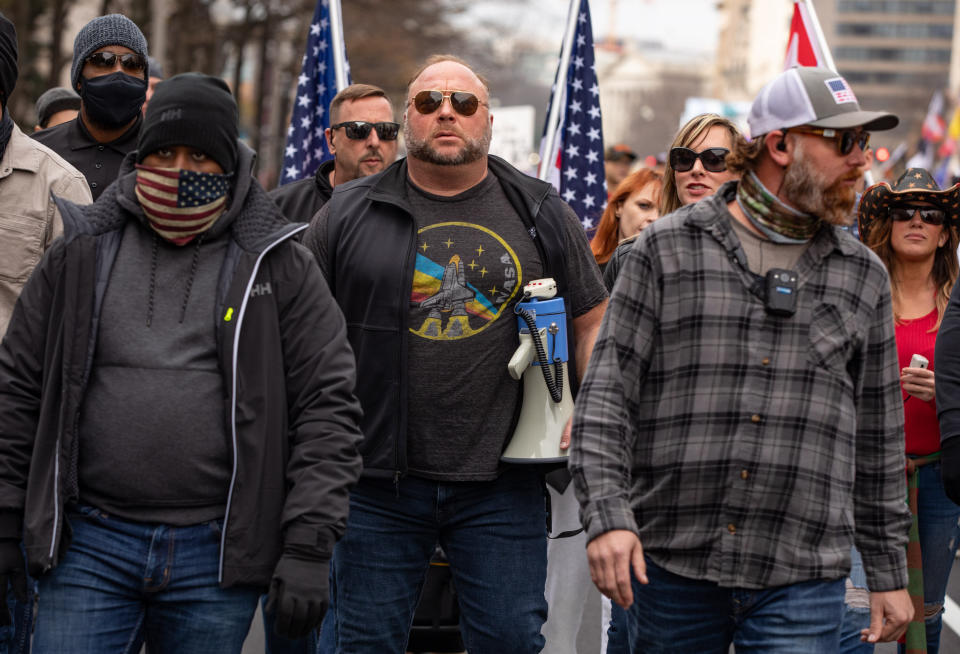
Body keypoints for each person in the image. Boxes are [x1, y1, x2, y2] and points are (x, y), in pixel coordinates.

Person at [0, 72, 363, 652]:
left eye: (199, 155)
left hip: (215, 554)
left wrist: (308, 544)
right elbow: (18, 386)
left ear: (229, 164)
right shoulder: (81, 249)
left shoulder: (279, 264)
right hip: (88, 545)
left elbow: (327, 406)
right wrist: (6, 514)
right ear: (141, 155)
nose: (179, 170)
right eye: (163, 152)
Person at [570, 65, 914, 652]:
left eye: (861, 143)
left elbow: (879, 437)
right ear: (780, 145)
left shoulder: (863, 275)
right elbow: (606, 401)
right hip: (673, 565)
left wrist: (887, 571)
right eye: (844, 143)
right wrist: (607, 516)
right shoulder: (664, 250)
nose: (862, 160)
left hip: (802, 574)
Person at [303, 54, 607, 654]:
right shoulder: (346, 212)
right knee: (360, 643)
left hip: (503, 480)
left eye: (463, 103)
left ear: (486, 121)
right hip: (375, 480)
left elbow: (592, 319)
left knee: (512, 641)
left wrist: (589, 409)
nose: (446, 112)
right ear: (406, 120)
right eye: (428, 102)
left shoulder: (541, 210)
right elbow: (299, 331)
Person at [841, 168, 960, 654]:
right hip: (860, 476)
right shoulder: (857, 294)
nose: (916, 220)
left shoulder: (959, 306)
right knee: (852, 618)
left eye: (929, 214)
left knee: (925, 621)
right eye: (903, 211)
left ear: (945, 231)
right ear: (885, 225)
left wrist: (947, 393)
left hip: (936, 482)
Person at [602, 115, 742, 288]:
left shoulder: (763, 249)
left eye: (714, 159)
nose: (696, 169)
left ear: (738, 171)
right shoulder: (632, 256)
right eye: (684, 158)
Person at [33, 14, 149, 200]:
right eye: (103, 60)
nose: (119, 73)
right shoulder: (39, 152)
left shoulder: (162, 155)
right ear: (79, 78)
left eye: (133, 63)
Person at [270, 83, 398, 223]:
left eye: (386, 130)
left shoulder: (415, 208)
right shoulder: (280, 208)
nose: (374, 142)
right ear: (331, 140)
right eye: (358, 130)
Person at [590, 168, 661, 273]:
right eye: (644, 205)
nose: (655, 218)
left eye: (664, 211)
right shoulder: (588, 272)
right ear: (619, 207)